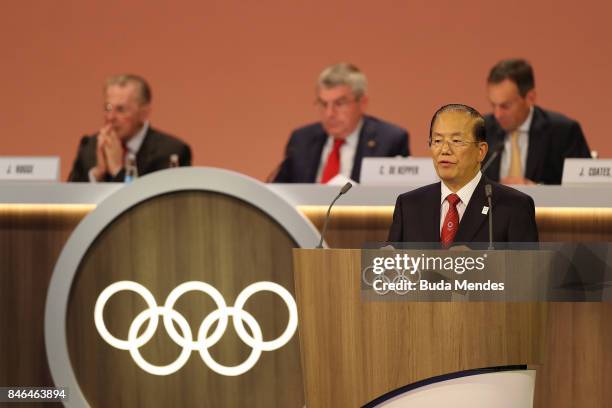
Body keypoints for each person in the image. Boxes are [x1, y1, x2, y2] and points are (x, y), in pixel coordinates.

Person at [387, 104, 538, 244]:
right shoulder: (409, 205)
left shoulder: (513, 206)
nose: (444, 150)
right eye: (437, 140)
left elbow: (525, 271)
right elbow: (392, 269)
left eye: (457, 141)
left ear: (481, 151)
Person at [273, 63, 409, 183]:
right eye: (323, 104)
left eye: (339, 103)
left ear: (362, 103)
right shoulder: (301, 140)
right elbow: (280, 191)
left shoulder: (390, 140)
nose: (329, 113)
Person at [483, 59, 591, 185]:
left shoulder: (564, 132)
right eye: (493, 105)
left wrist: (537, 191)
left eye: (505, 106)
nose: (497, 114)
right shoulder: (480, 130)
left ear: (530, 98)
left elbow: (583, 190)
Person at [68, 74, 191, 182]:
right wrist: (97, 175)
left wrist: (118, 171)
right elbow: (70, 200)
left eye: (120, 110)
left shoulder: (171, 151)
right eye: (108, 108)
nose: (110, 117)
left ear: (144, 113)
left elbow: (155, 204)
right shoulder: (89, 146)